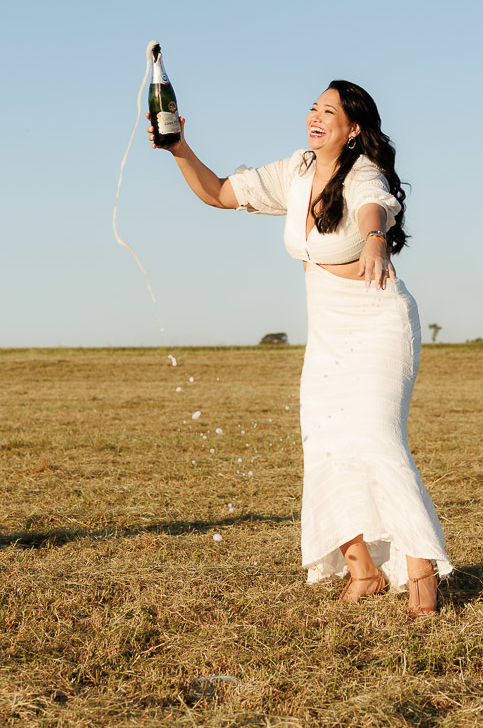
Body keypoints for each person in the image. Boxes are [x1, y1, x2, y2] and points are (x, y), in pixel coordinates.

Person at [147, 79, 452, 615]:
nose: (315, 117)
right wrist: (179, 149)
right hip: (328, 331)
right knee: (325, 442)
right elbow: (219, 192)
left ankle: (421, 574)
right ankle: (363, 570)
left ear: (353, 128)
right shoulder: (296, 171)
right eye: (313, 107)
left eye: (328, 111)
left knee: (377, 439)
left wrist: (376, 239)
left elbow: (373, 209)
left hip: (378, 322)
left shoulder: (364, 174)